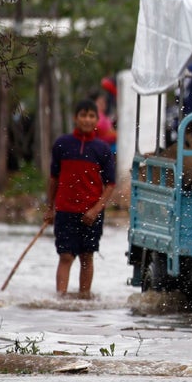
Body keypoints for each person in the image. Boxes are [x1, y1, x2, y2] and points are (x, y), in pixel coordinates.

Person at [43, 99, 116, 299]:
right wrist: (50, 208)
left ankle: (84, 299)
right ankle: (61, 300)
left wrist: (96, 210)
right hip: (65, 211)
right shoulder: (62, 145)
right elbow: (54, 179)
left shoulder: (102, 149)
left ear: (96, 120)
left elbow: (110, 184)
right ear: (75, 118)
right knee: (65, 256)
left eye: (91, 116)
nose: (87, 119)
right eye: (83, 115)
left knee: (86, 256)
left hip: (91, 213)